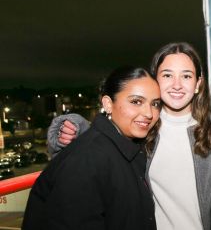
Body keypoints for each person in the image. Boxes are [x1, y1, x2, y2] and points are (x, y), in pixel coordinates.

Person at [47, 42, 211, 230]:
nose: (176, 84)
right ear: (155, 81)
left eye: (186, 76)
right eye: (167, 75)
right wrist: (74, 126)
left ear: (198, 83)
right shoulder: (142, 127)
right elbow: (102, 140)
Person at [23, 66, 162, 230]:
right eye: (136, 101)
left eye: (155, 104)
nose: (149, 113)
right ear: (108, 104)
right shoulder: (86, 160)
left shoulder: (128, 147)